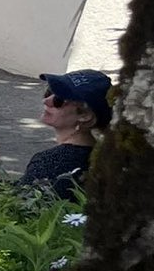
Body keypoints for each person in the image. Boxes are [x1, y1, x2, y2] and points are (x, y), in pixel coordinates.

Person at [22, 69, 110, 199]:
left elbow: (15, 208)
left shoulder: (50, 162)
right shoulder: (105, 158)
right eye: (49, 92)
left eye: (58, 99)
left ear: (85, 115)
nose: (46, 101)